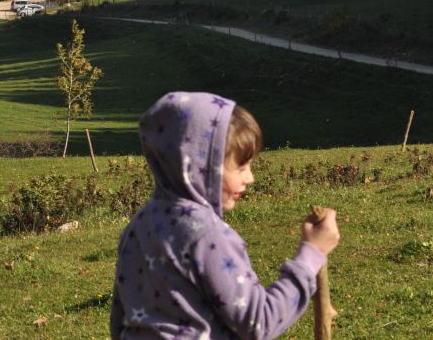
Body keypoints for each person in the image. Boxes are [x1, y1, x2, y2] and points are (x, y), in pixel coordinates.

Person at [110, 92, 340, 339]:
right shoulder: (205, 234)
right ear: (199, 168)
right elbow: (259, 322)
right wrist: (311, 255)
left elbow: (119, 320)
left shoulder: (138, 226)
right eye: (240, 167)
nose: (249, 178)